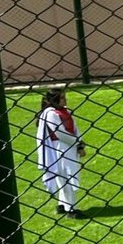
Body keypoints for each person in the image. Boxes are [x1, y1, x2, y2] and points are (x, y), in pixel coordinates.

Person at [35, 87, 84, 217]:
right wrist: (77, 142)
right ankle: (71, 209)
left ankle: (62, 204)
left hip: (69, 146)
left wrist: (80, 143)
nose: (65, 100)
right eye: (62, 98)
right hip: (60, 147)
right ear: (54, 99)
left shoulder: (65, 111)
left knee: (65, 176)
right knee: (66, 176)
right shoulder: (51, 114)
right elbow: (60, 133)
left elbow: (75, 129)